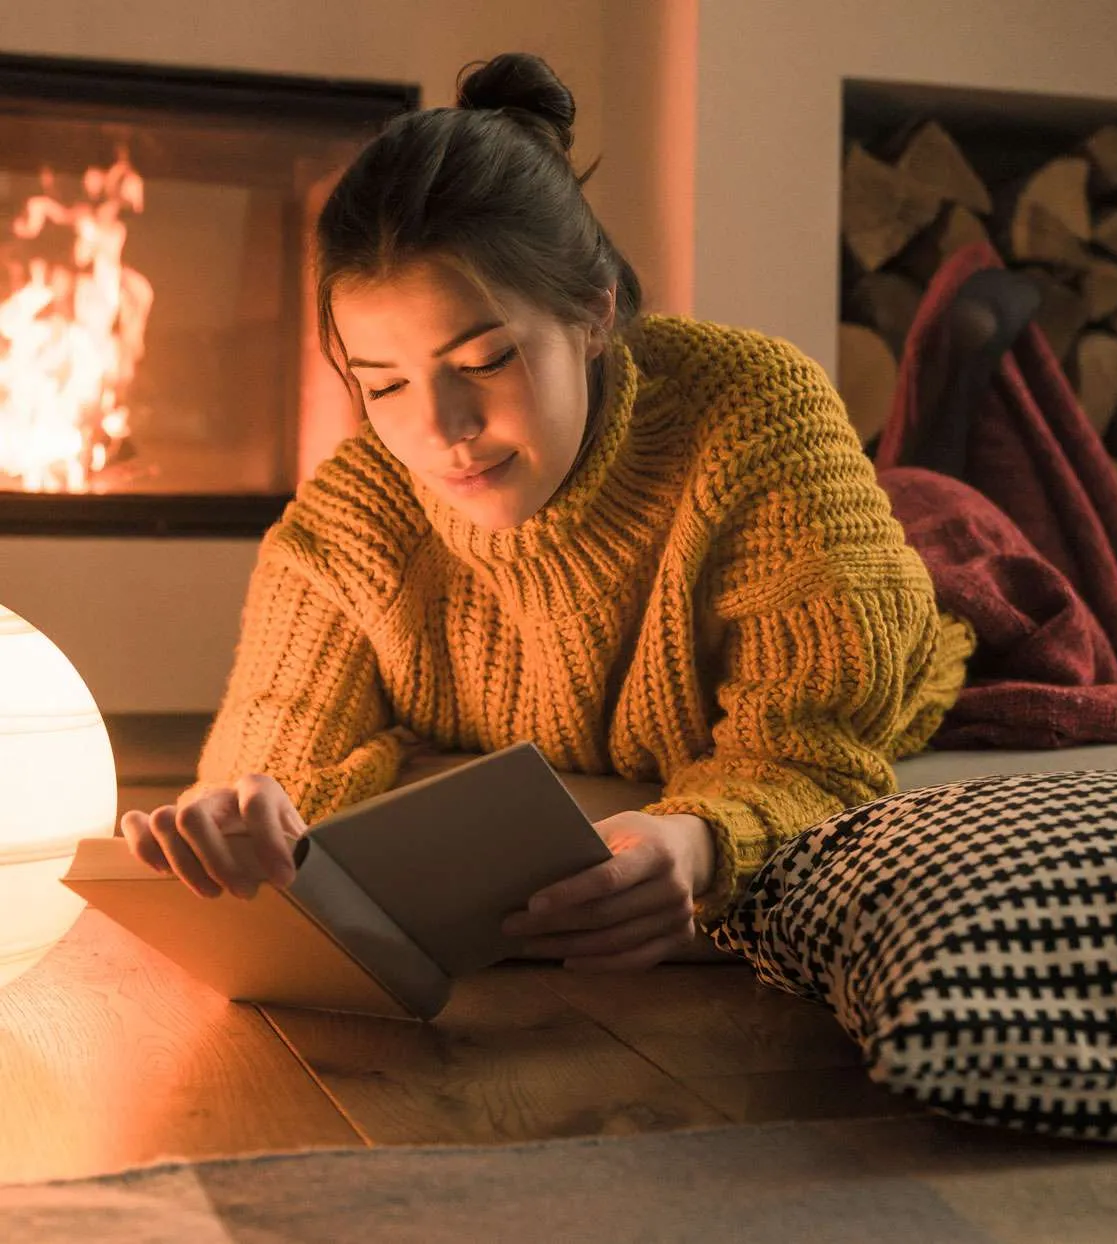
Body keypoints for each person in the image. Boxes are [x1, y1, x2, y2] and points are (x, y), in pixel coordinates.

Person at [121, 52, 973, 972]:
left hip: (907, 571)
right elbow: (270, 759)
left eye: (484, 362)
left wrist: (698, 841)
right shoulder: (353, 518)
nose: (440, 430)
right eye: (385, 384)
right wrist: (236, 819)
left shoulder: (758, 417)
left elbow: (814, 751)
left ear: (596, 313)